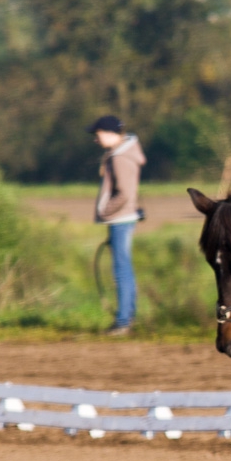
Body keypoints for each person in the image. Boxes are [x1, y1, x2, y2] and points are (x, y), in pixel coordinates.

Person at [87, 114, 145, 337]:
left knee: (121, 271)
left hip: (120, 219)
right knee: (124, 268)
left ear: (111, 134)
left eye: (98, 134)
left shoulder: (120, 157)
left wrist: (105, 211)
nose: (96, 139)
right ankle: (127, 317)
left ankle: (123, 321)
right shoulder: (121, 154)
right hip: (122, 219)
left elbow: (125, 193)